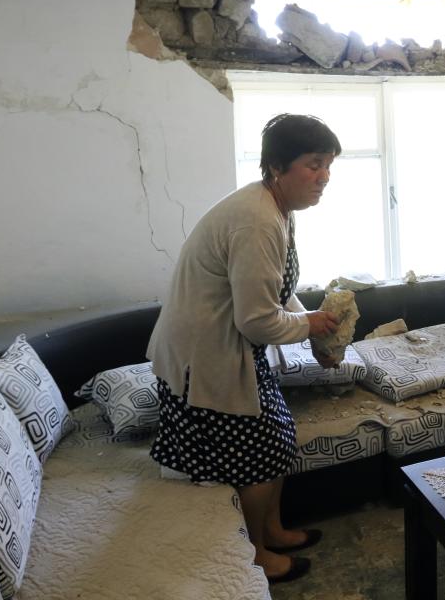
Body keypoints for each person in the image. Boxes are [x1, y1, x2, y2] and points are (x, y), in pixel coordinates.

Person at [146, 114, 342, 584]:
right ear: (277, 167)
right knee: (260, 451)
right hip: (205, 355)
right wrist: (309, 324)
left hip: (230, 346)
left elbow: (275, 291)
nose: (324, 177)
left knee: (278, 438)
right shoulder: (256, 221)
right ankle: (255, 553)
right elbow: (255, 319)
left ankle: (272, 529)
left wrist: (313, 327)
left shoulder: (276, 210)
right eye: (313, 165)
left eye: (329, 165)